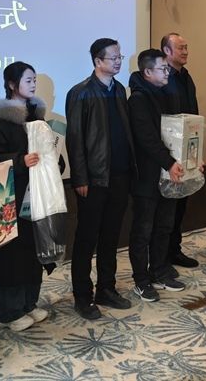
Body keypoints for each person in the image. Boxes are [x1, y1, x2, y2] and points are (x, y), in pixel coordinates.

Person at [0, 62, 53, 331]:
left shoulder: (37, 118)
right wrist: (20, 160)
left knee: (34, 250)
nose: (33, 84)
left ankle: (29, 303)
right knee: (11, 255)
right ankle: (9, 311)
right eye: (28, 80)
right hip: (11, 197)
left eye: (34, 80)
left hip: (37, 194)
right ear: (12, 84)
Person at [65, 38, 136, 319]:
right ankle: (82, 296)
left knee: (111, 235)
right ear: (97, 61)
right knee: (86, 238)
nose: (118, 62)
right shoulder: (80, 92)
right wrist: (80, 178)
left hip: (119, 175)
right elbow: (75, 139)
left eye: (120, 57)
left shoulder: (119, 90)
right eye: (113, 58)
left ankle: (107, 288)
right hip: (93, 179)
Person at [128, 48, 187, 302]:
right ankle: (141, 280)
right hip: (147, 176)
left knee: (164, 226)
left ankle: (159, 271)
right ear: (147, 72)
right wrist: (169, 162)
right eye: (163, 69)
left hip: (167, 173)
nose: (167, 73)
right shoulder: (138, 99)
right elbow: (147, 138)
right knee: (143, 230)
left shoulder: (164, 94)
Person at [160, 32, 200, 269]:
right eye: (180, 48)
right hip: (168, 153)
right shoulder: (162, 77)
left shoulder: (186, 77)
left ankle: (175, 250)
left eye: (186, 47)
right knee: (167, 210)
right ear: (167, 51)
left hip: (188, 151)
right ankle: (162, 256)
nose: (185, 52)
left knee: (181, 205)